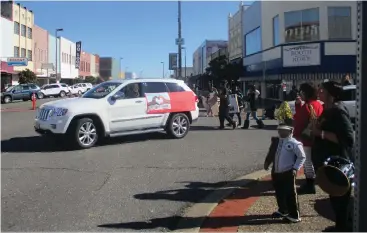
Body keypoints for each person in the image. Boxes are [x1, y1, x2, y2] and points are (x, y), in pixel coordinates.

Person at [311, 81, 354, 232]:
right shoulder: (327, 109)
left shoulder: (338, 111)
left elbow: (348, 139)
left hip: (339, 164)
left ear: (330, 94)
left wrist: (320, 133)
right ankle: (341, 226)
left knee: (340, 200)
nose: (319, 92)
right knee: (335, 199)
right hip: (328, 164)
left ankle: (343, 228)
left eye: (322, 90)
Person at [264, 122, 306, 223]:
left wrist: (295, 168)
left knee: (290, 194)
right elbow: (272, 153)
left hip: (288, 172)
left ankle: (294, 215)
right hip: (276, 171)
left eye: (283, 130)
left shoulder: (294, 143)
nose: (280, 131)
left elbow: (302, 156)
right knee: (279, 192)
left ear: (290, 131)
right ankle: (283, 209)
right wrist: (267, 162)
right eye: (279, 129)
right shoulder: (276, 141)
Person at [293, 83, 323, 194]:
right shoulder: (318, 104)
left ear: (305, 93)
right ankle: (312, 183)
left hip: (306, 138)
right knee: (311, 161)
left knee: (307, 162)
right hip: (316, 136)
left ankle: (310, 185)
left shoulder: (306, 106)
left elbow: (298, 121)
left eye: (301, 92)